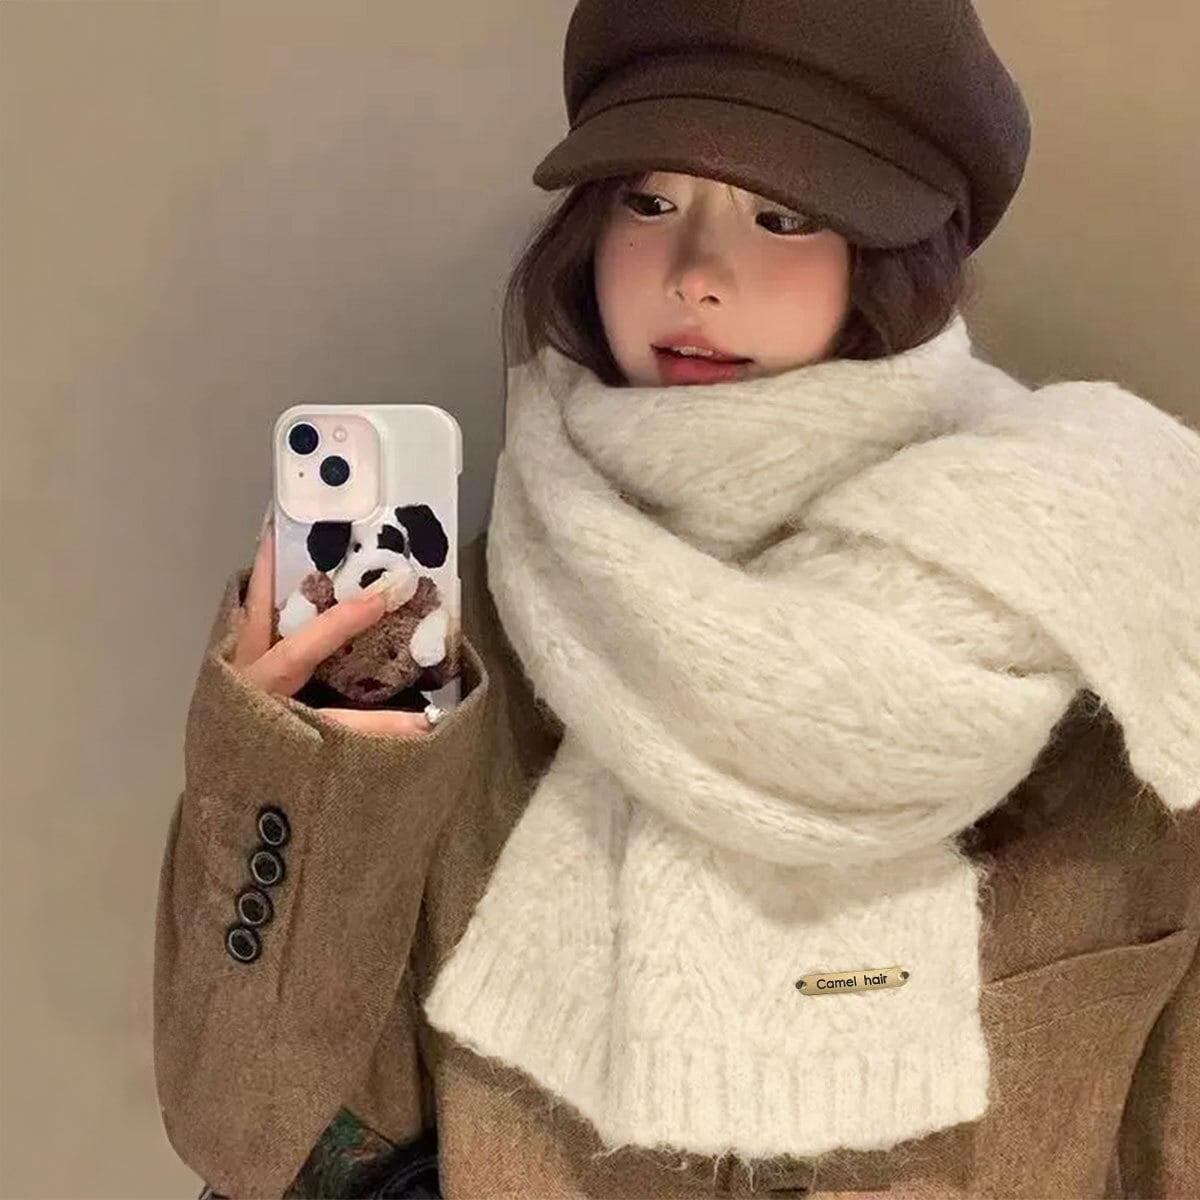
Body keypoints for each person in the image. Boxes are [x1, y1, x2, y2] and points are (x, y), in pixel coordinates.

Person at [154, 1, 1200, 1197]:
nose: (697, 273)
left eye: (782, 215)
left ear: (898, 256)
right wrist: (304, 781)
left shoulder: (1118, 620)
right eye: (647, 203)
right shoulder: (451, 643)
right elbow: (240, 1133)